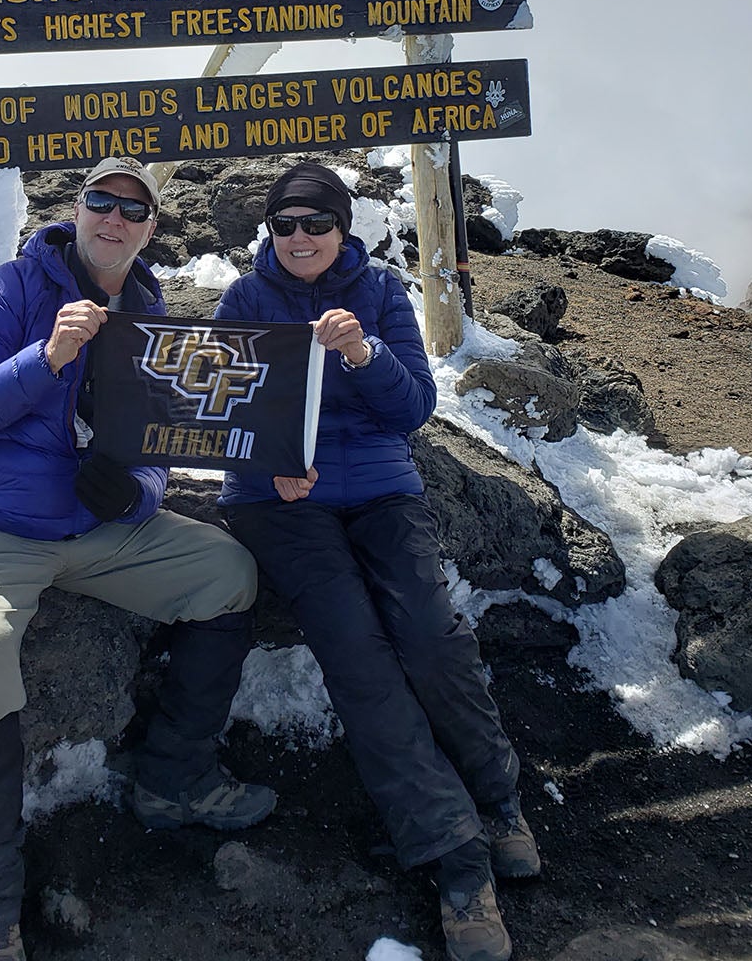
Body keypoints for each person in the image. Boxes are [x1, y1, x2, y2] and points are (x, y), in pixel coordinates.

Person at [0, 155, 275, 961]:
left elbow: (156, 447)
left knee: (228, 576)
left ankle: (171, 778)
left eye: (133, 210)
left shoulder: (149, 312)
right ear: (75, 210)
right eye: (99, 202)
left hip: (96, 531)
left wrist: (138, 493)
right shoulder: (8, 292)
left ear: (150, 230)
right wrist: (44, 356)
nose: (113, 219)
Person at [214, 161, 539, 961]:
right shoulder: (244, 301)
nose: (299, 238)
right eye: (284, 224)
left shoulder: (383, 295)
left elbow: (414, 410)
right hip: (283, 502)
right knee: (357, 656)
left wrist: (363, 355)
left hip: (383, 490)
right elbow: (217, 413)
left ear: (341, 228)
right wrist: (267, 466)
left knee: (431, 636)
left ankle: (499, 802)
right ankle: (458, 861)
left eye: (315, 223)